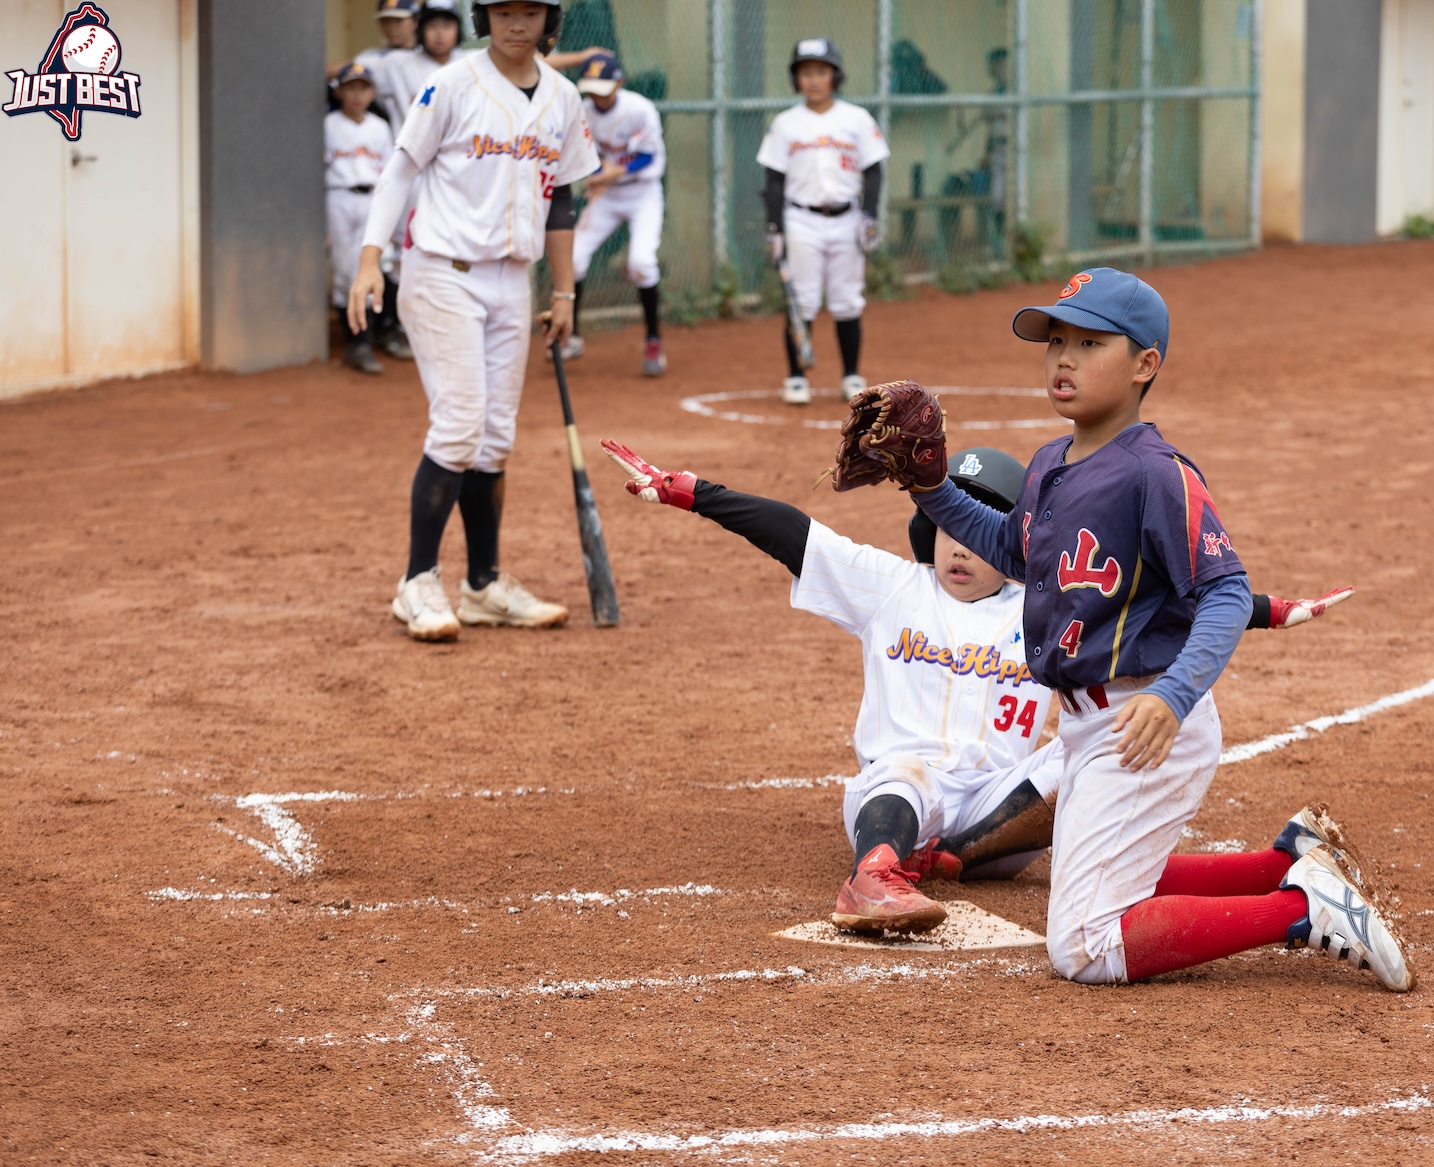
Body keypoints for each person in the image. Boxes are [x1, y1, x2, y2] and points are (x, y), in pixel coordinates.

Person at [880, 268, 1415, 990]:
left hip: (1144, 720)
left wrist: (1173, 696)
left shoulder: (1156, 473)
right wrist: (929, 488)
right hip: (1089, 726)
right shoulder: (1048, 462)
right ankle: (1286, 862)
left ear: (1144, 364)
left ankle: (1299, 911)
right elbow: (1013, 547)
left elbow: (1224, 594)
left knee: (1084, 944)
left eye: (1090, 342)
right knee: (1102, 871)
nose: (1063, 358)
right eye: (1056, 340)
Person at [599, 437, 1355, 934]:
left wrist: (1270, 609)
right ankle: (875, 876)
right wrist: (691, 491)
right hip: (904, 799)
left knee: (1083, 755)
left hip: (1003, 817)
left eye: (981, 530)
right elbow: (795, 532)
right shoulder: (894, 586)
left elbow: (1166, 600)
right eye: (950, 528)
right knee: (899, 771)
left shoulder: (1049, 600)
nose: (960, 547)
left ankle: (1277, 865)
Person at [347, 0, 599, 643]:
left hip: (513, 280)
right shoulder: (453, 82)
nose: (518, 22)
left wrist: (565, 292)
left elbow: (563, 200)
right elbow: (400, 168)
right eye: (503, 10)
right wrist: (371, 258)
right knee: (459, 424)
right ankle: (417, 582)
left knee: (493, 438)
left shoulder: (564, 98)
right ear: (485, 17)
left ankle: (483, 585)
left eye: (531, 10)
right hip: (441, 272)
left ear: (550, 19)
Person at [756, 38, 889, 407]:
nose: (813, 80)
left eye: (821, 72)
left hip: (847, 217)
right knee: (802, 300)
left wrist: (870, 215)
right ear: (796, 79)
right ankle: (796, 376)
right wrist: (774, 227)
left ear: (835, 76)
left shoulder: (856, 119)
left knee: (847, 299)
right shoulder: (786, 124)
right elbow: (773, 181)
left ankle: (850, 374)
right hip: (801, 219)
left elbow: (873, 171)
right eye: (805, 73)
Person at [556, 49, 669, 378]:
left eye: (603, 87)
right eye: (591, 88)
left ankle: (653, 340)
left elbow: (648, 158)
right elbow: (581, 152)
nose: (597, 96)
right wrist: (594, 177)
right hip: (606, 196)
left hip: (642, 193)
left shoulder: (640, 110)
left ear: (619, 82)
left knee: (641, 263)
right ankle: (570, 336)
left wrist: (611, 172)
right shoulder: (584, 111)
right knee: (573, 259)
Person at [325, 63, 396, 376]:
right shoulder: (327, 124)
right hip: (338, 197)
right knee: (344, 270)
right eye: (350, 87)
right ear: (338, 90)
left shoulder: (380, 127)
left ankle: (370, 337)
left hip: (372, 199)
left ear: (373, 92)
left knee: (378, 265)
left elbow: (394, 173)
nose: (356, 94)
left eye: (363, 87)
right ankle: (355, 341)